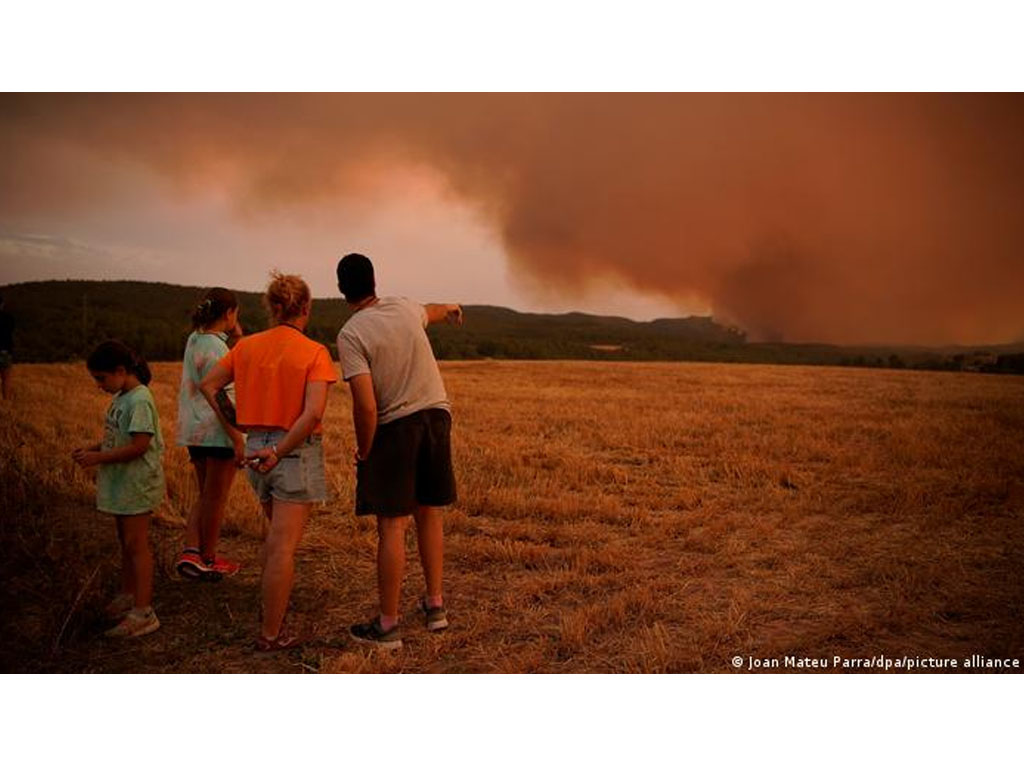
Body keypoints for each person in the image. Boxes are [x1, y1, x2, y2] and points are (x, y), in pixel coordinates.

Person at [200, 271, 337, 651]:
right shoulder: (314, 352)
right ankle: (272, 634)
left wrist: (239, 429)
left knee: (276, 539)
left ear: (272, 308)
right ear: (305, 308)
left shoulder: (246, 347)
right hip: (292, 452)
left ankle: (273, 616)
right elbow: (311, 415)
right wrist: (279, 451)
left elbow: (209, 385)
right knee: (282, 547)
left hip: (256, 446)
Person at [335, 252, 463, 649]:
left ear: (342, 290)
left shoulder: (351, 334)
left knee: (392, 526)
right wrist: (454, 309)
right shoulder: (404, 307)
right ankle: (436, 607)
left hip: (397, 427)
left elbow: (365, 405)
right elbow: (435, 310)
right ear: (376, 280)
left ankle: (387, 626)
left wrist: (364, 447)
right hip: (437, 417)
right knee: (430, 513)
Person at [72, 340, 165, 638]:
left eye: (101, 378)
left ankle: (144, 612)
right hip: (120, 484)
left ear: (121, 370)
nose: (99, 385)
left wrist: (97, 458)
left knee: (137, 545)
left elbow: (139, 445)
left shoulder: (139, 400)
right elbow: (119, 438)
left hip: (136, 483)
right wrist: (94, 448)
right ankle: (128, 595)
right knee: (125, 542)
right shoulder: (122, 396)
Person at [175, 288, 245, 580]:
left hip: (194, 430)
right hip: (216, 431)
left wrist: (236, 334)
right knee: (215, 498)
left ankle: (192, 552)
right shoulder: (217, 349)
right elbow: (221, 397)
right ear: (229, 314)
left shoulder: (196, 339)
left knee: (205, 495)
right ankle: (207, 557)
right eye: (235, 314)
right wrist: (237, 437)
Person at [0, 294, 15, 400]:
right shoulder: (9, 318)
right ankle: (6, 401)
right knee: (6, 379)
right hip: (5, 350)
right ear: (2, 304)